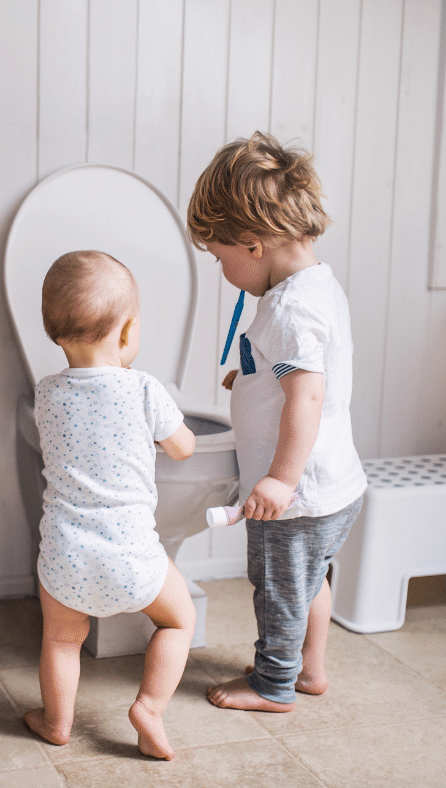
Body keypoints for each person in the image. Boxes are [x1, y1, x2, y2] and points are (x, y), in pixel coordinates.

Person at [186, 131, 367, 712]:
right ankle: (309, 669)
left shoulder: (289, 309)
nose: (222, 269)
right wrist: (253, 376)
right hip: (334, 484)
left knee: (280, 591)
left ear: (254, 246)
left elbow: (306, 398)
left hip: (298, 493)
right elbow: (307, 374)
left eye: (220, 257)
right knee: (308, 581)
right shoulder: (313, 287)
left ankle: (274, 685)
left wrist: (279, 480)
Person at [24, 250, 197, 760]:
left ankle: (57, 723)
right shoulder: (144, 388)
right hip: (132, 555)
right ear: (126, 335)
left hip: (65, 558)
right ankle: (148, 708)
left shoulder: (47, 393)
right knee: (178, 620)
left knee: (60, 641)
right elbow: (184, 446)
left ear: (55, 334)